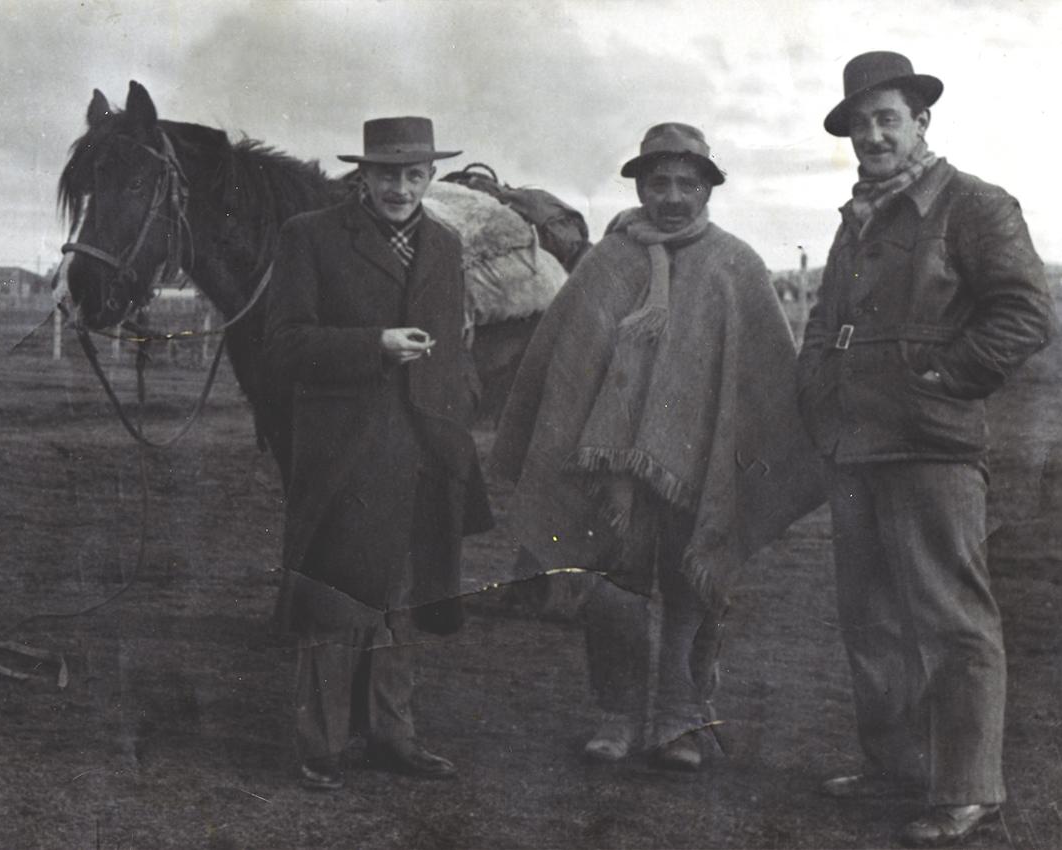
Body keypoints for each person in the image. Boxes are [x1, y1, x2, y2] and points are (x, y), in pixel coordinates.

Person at [492, 123, 823, 771]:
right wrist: (600, 454)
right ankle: (615, 713)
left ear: (707, 189)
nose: (672, 195)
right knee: (614, 588)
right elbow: (564, 367)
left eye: (687, 183)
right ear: (640, 186)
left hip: (701, 467)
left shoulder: (734, 266)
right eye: (658, 182)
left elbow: (764, 376)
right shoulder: (606, 263)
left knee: (690, 582)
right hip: (605, 473)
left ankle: (678, 715)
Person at [797, 51, 1055, 847]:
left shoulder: (973, 204)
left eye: (887, 120)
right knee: (868, 618)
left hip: (930, 442)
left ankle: (966, 788)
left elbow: (1022, 314)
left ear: (920, 124)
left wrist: (943, 374)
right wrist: (816, 391)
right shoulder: (858, 214)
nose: (872, 136)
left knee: (949, 618)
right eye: (860, 124)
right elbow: (826, 322)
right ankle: (894, 767)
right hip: (854, 445)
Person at [263, 116, 492, 792]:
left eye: (413, 173)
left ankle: (394, 736)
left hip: (422, 445)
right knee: (334, 594)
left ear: (431, 177)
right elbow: (283, 345)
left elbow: (451, 346)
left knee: (398, 596)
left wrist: (454, 411)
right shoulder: (310, 237)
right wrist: (374, 346)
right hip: (344, 448)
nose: (400, 186)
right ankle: (322, 744)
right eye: (386, 172)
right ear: (361, 175)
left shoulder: (444, 245)